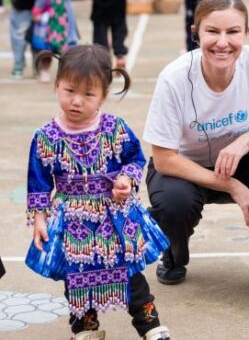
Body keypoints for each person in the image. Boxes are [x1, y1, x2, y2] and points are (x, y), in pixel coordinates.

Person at [143, 0, 249, 286]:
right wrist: (232, 186)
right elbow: (164, 159)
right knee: (174, 204)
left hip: (240, 161)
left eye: (233, 32)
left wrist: (247, 139)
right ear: (196, 33)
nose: (223, 42)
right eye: (212, 31)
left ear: (246, 33)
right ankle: (173, 250)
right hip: (186, 168)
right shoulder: (174, 78)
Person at [24, 45, 171, 340]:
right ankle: (85, 329)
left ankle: (150, 326)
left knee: (130, 271)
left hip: (115, 216)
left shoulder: (115, 128)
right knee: (76, 276)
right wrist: (39, 218)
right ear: (57, 85)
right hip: (72, 219)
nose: (77, 101)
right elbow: (38, 181)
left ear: (103, 95)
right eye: (69, 90)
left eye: (88, 94)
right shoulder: (45, 137)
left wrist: (126, 179)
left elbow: (135, 159)